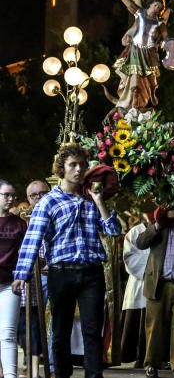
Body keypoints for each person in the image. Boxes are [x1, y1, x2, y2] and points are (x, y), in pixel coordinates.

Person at [12, 144, 122, 378]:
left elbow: (113, 231)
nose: (79, 169)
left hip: (92, 273)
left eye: (83, 164)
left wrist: (100, 201)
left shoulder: (92, 198)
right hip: (61, 273)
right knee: (60, 331)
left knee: (93, 332)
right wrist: (21, 274)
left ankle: (94, 375)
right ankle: (61, 375)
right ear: (61, 169)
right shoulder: (48, 202)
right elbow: (32, 240)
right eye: (73, 165)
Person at [135, 206, 174, 378]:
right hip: (158, 284)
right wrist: (159, 224)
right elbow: (141, 243)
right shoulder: (158, 225)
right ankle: (151, 364)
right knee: (154, 327)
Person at [111, 0, 168, 112]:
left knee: (148, 81)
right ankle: (133, 105)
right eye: (156, 6)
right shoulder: (140, 13)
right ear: (150, 5)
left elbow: (167, 39)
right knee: (134, 79)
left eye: (160, 8)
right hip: (136, 51)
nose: (158, 9)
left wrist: (164, 45)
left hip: (149, 54)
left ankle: (145, 99)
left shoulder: (159, 23)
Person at [17, 180, 51, 378]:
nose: (39, 199)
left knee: (48, 323)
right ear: (28, 199)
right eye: (34, 196)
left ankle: (49, 366)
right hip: (30, 278)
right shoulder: (23, 222)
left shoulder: (56, 216)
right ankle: (28, 365)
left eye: (43, 194)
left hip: (52, 275)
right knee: (27, 322)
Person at [0, 179, 26, 378]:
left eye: (12, 195)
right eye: (6, 195)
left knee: (8, 333)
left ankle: (11, 375)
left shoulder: (19, 223)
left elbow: (24, 253)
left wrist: (22, 275)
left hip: (10, 283)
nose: (11, 199)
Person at [121, 219, 150, 368]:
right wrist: (150, 269)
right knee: (137, 320)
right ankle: (137, 356)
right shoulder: (135, 232)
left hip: (157, 282)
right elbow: (129, 257)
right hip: (139, 282)